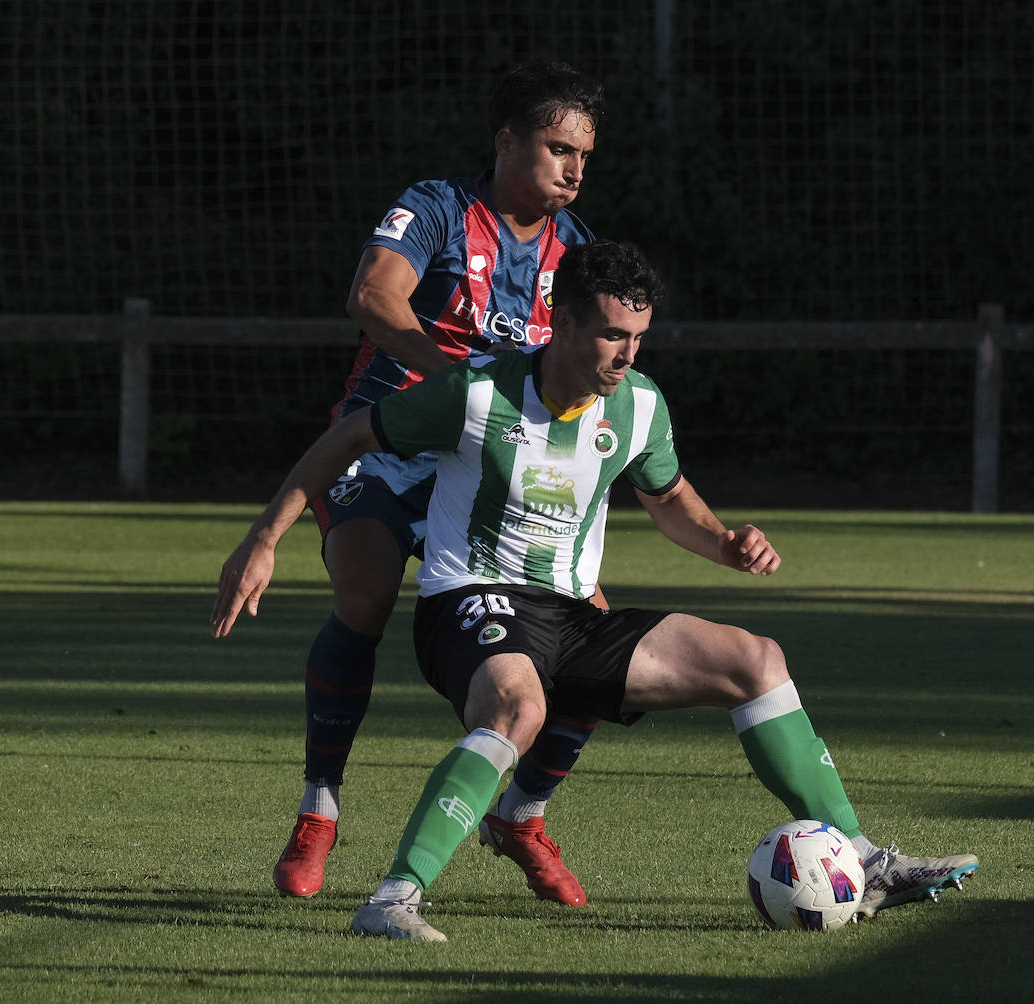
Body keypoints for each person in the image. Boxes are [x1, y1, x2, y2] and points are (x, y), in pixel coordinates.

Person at [212, 240, 979, 942]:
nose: (627, 353)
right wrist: (264, 538)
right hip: (472, 601)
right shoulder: (475, 393)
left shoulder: (639, 405)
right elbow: (348, 436)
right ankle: (392, 901)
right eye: (613, 334)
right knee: (520, 708)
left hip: (574, 616)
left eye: (639, 336)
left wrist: (725, 543)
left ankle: (867, 859)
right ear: (564, 323)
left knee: (758, 660)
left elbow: (670, 499)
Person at [251, 61, 607, 907]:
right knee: (366, 592)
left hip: (494, 464)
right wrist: (463, 374)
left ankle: (521, 813)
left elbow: (595, 364)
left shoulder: (578, 251)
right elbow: (373, 295)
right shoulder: (440, 207)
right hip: (385, 443)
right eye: (558, 148)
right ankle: (319, 812)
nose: (574, 168)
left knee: (591, 630)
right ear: (507, 140)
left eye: (585, 155)